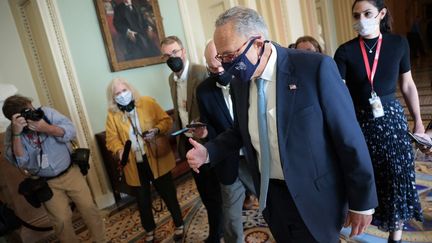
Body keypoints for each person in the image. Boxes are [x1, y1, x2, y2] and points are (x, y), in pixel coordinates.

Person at [186, 6, 378, 243]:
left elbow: (348, 138)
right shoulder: (240, 82)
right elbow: (241, 130)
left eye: (229, 56)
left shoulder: (315, 68)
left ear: (257, 43)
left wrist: (363, 202)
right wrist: (209, 151)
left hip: (316, 197)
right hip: (271, 197)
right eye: (221, 58)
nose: (225, 66)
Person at [333, 1, 425, 242]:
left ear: (381, 14)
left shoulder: (398, 43)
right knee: (367, 175)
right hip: (360, 122)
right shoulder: (345, 51)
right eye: (356, 15)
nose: (361, 19)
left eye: (367, 13)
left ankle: (395, 236)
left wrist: (418, 121)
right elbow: (338, 94)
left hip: (393, 121)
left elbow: (407, 84)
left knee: (398, 176)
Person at [2, 95, 105, 243]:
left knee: (89, 209)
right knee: (61, 221)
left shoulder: (47, 113)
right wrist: (17, 134)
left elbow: (70, 130)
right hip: (46, 182)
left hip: (70, 172)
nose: (33, 112)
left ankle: (101, 240)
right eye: (27, 112)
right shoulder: (12, 132)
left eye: (31, 108)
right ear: (14, 118)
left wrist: (46, 128)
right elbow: (20, 162)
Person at [160, 36, 223, 243]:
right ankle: (218, 227)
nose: (172, 58)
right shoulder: (171, 79)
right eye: (167, 55)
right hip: (187, 142)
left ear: (183, 51)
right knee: (203, 189)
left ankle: (217, 233)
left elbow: (213, 106)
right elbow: (180, 110)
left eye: (175, 52)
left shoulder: (200, 72)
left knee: (213, 189)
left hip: (206, 140)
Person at [105, 78, 184, 243]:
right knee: (142, 201)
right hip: (135, 165)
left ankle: (179, 224)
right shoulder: (112, 116)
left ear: (130, 89)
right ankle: (149, 230)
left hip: (156, 159)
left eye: (124, 91)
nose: (122, 95)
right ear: (113, 98)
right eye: (117, 93)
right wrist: (119, 149)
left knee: (168, 194)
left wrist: (156, 130)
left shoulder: (147, 102)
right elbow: (111, 140)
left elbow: (167, 121)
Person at [194, 40, 256, 243]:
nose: (218, 71)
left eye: (220, 65)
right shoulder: (203, 90)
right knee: (231, 219)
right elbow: (209, 123)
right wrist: (204, 134)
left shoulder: (247, 79)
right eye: (212, 68)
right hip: (227, 163)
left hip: (254, 157)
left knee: (274, 205)